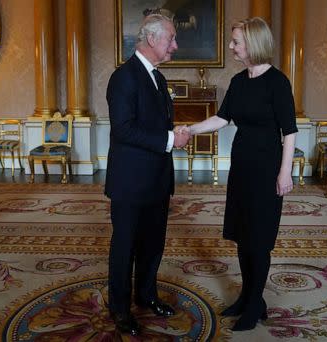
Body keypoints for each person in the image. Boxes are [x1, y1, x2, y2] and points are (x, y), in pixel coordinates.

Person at [177, 17, 297, 331]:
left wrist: (286, 173)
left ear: (253, 45)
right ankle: (248, 297)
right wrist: (190, 129)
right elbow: (221, 118)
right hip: (242, 168)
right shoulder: (239, 81)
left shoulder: (278, 83)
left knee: (259, 241)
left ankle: (255, 303)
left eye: (235, 42)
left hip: (268, 170)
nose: (231, 47)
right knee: (243, 237)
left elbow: (290, 132)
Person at [105, 14, 189, 336]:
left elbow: (154, 126)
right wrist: (170, 139)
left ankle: (146, 295)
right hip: (130, 183)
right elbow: (124, 130)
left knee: (154, 244)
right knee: (125, 247)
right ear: (152, 40)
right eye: (171, 39)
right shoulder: (124, 77)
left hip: (157, 180)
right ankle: (120, 309)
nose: (175, 46)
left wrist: (173, 133)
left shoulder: (159, 78)